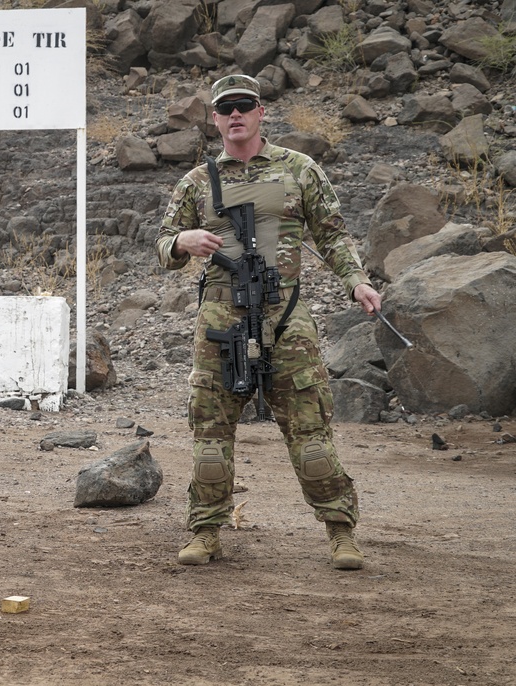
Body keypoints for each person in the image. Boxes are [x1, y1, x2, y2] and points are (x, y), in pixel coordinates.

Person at [155, 74, 381, 570]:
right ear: (214, 119)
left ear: (261, 112)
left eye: (244, 106)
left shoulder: (300, 169)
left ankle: (341, 533)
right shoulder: (196, 182)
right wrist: (182, 241)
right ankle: (205, 531)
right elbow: (162, 247)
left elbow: (333, 236)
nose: (235, 115)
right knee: (211, 432)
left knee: (310, 429)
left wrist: (356, 282)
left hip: (286, 317)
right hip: (219, 317)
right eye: (225, 108)